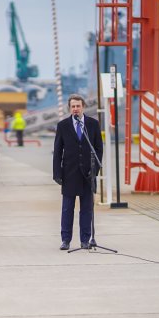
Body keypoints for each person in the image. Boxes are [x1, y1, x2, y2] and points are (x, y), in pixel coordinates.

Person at [52, 94, 103, 250]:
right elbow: (58, 151)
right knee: (67, 209)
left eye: (78, 106)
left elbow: (99, 149)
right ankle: (66, 240)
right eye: (73, 106)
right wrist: (57, 174)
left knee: (87, 209)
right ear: (70, 108)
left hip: (88, 175)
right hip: (69, 174)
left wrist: (94, 171)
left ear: (83, 107)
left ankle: (85, 240)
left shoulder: (93, 124)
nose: (75, 109)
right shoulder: (63, 126)